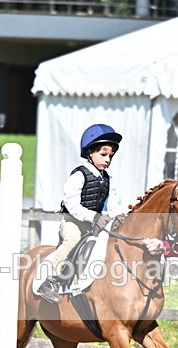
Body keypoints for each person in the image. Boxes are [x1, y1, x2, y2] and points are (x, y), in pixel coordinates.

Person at [36, 124, 123, 303]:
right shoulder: (79, 175)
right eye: (103, 154)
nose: (108, 159)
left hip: (94, 224)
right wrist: (94, 217)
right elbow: (71, 204)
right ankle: (49, 281)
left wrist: (121, 213)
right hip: (72, 222)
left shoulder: (107, 179)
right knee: (73, 240)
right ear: (90, 152)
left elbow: (114, 202)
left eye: (111, 156)